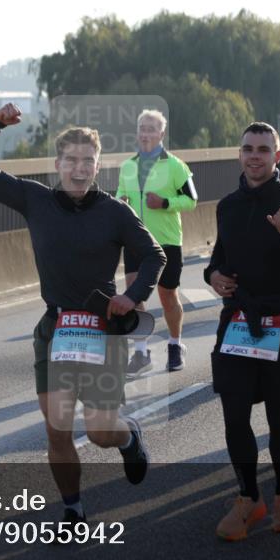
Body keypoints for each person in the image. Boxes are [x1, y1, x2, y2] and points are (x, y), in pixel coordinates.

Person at [0, 103, 164, 529]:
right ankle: (73, 509)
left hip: (103, 330)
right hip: (56, 329)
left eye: (87, 161)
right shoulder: (35, 199)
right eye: (71, 160)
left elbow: (153, 255)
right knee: (57, 430)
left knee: (98, 432)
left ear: (98, 166)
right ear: (57, 164)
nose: (79, 169)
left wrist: (132, 296)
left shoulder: (114, 211)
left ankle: (127, 435)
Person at [205, 122, 280, 539]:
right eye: (247, 149)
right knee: (235, 415)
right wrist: (213, 276)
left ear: (279, 157)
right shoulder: (228, 206)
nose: (254, 155)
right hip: (239, 320)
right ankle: (248, 498)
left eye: (263, 149)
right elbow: (218, 258)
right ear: (239, 155)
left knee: (279, 417)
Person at [116, 110, 197, 374]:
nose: (145, 133)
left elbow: (192, 200)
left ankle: (175, 345)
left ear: (161, 134)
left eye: (151, 128)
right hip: (135, 242)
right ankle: (141, 352)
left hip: (166, 242)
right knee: (133, 297)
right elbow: (120, 197)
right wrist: (123, 204)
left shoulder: (175, 166)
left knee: (167, 297)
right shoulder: (128, 166)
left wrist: (164, 203)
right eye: (142, 128)